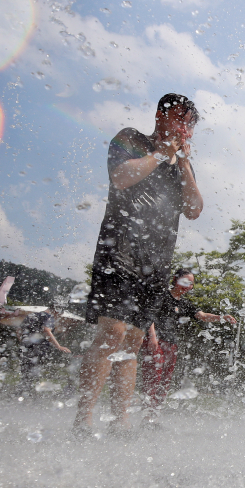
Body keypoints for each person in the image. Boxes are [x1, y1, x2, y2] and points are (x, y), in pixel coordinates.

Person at [74, 93, 205, 431]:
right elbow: (120, 177)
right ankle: (83, 420)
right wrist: (161, 153)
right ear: (161, 116)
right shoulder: (131, 138)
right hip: (119, 251)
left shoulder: (182, 167)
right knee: (112, 332)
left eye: (190, 124)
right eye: (180, 119)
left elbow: (194, 210)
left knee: (133, 339)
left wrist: (185, 163)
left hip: (157, 263)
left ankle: (121, 423)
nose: (185, 129)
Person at [140, 268, 236, 408]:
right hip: (156, 341)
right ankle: (146, 413)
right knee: (153, 377)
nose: (188, 286)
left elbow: (202, 316)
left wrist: (222, 317)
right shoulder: (162, 295)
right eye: (185, 282)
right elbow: (150, 315)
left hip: (171, 344)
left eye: (191, 284)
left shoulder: (185, 303)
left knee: (165, 380)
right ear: (175, 280)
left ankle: (154, 416)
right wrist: (152, 337)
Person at [17, 308, 70, 395]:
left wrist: (23, 343)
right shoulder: (49, 317)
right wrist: (58, 346)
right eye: (58, 315)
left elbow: (19, 330)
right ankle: (28, 394)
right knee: (34, 372)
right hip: (38, 349)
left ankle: (22, 392)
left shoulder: (32, 315)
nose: (57, 317)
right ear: (56, 310)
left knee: (26, 372)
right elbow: (46, 329)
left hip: (25, 348)